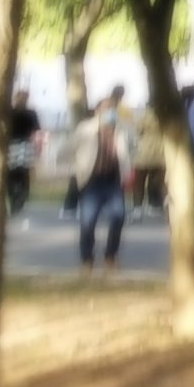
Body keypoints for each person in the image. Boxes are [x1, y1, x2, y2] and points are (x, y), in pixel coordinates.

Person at [69, 86, 132, 274]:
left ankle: (110, 256)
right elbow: (70, 148)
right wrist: (76, 167)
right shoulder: (86, 128)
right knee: (88, 221)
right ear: (97, 110)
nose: (109, 112)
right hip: (92, 181)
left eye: (112, 108)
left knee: (118, 216)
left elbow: (132, 147)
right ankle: (86, 259)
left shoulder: (122, 129)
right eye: (105, 108)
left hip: (113, 181)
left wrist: (128, 169)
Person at [4, 89, 42, 222]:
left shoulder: (10, 112)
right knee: (23, 172)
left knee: (11, 172)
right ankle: (20, 197)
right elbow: (36, 129)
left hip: (11, 144)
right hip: (25, 144)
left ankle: (13, 196)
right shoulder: (31, 113)